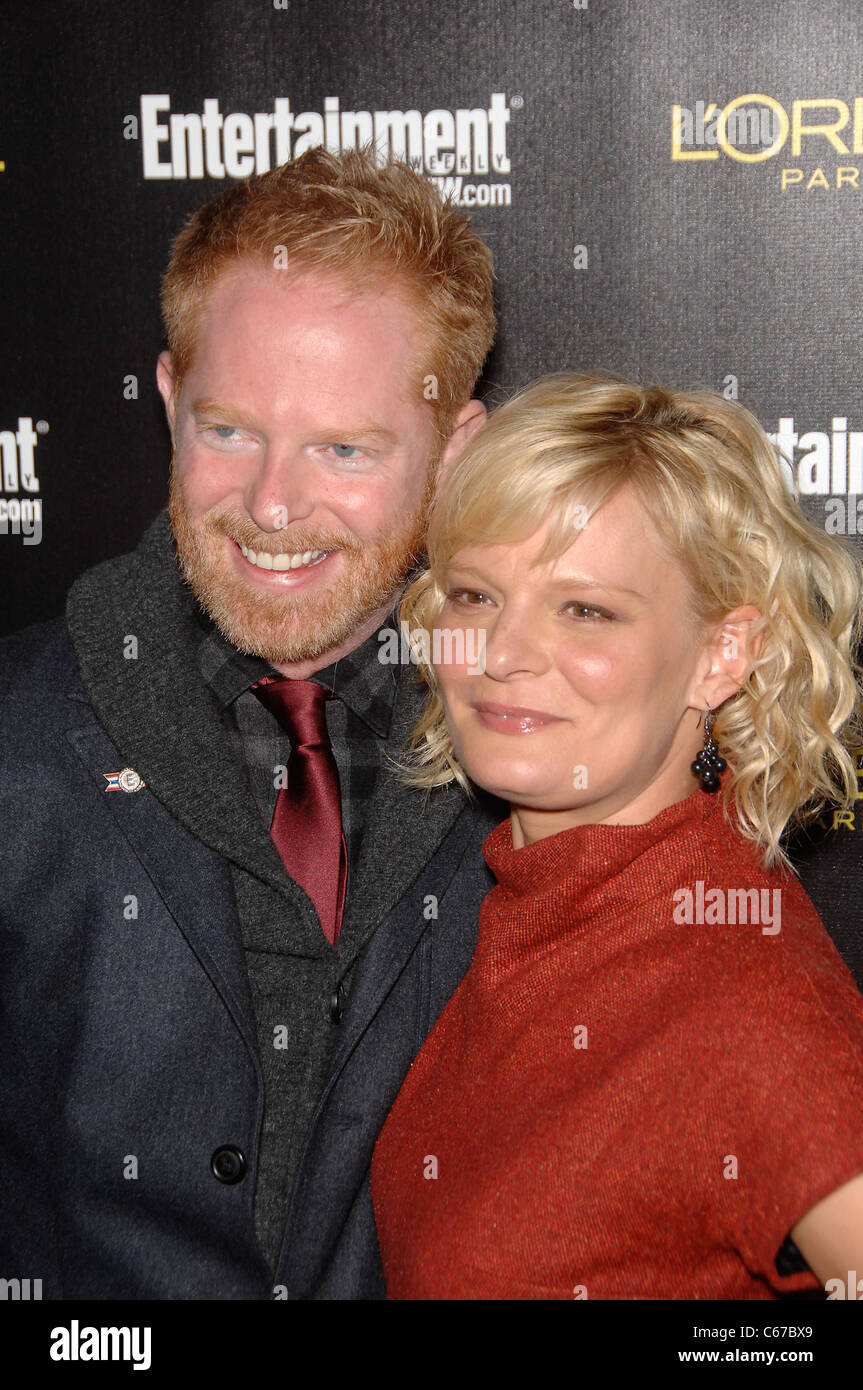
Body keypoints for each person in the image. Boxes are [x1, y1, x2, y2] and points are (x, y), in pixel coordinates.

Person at [0, 147, 503, 1299]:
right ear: (171, 400)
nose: (272, 505)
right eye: (228, 429)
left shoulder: (547, 755)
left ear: (456, 448)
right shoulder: (17, 739)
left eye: (344, 448)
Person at [370, 372, 863, 1300]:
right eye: (474, 596)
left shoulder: (742, 1000)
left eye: (584, 610)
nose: (502, 653)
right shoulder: (543, 909)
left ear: (722, 653)